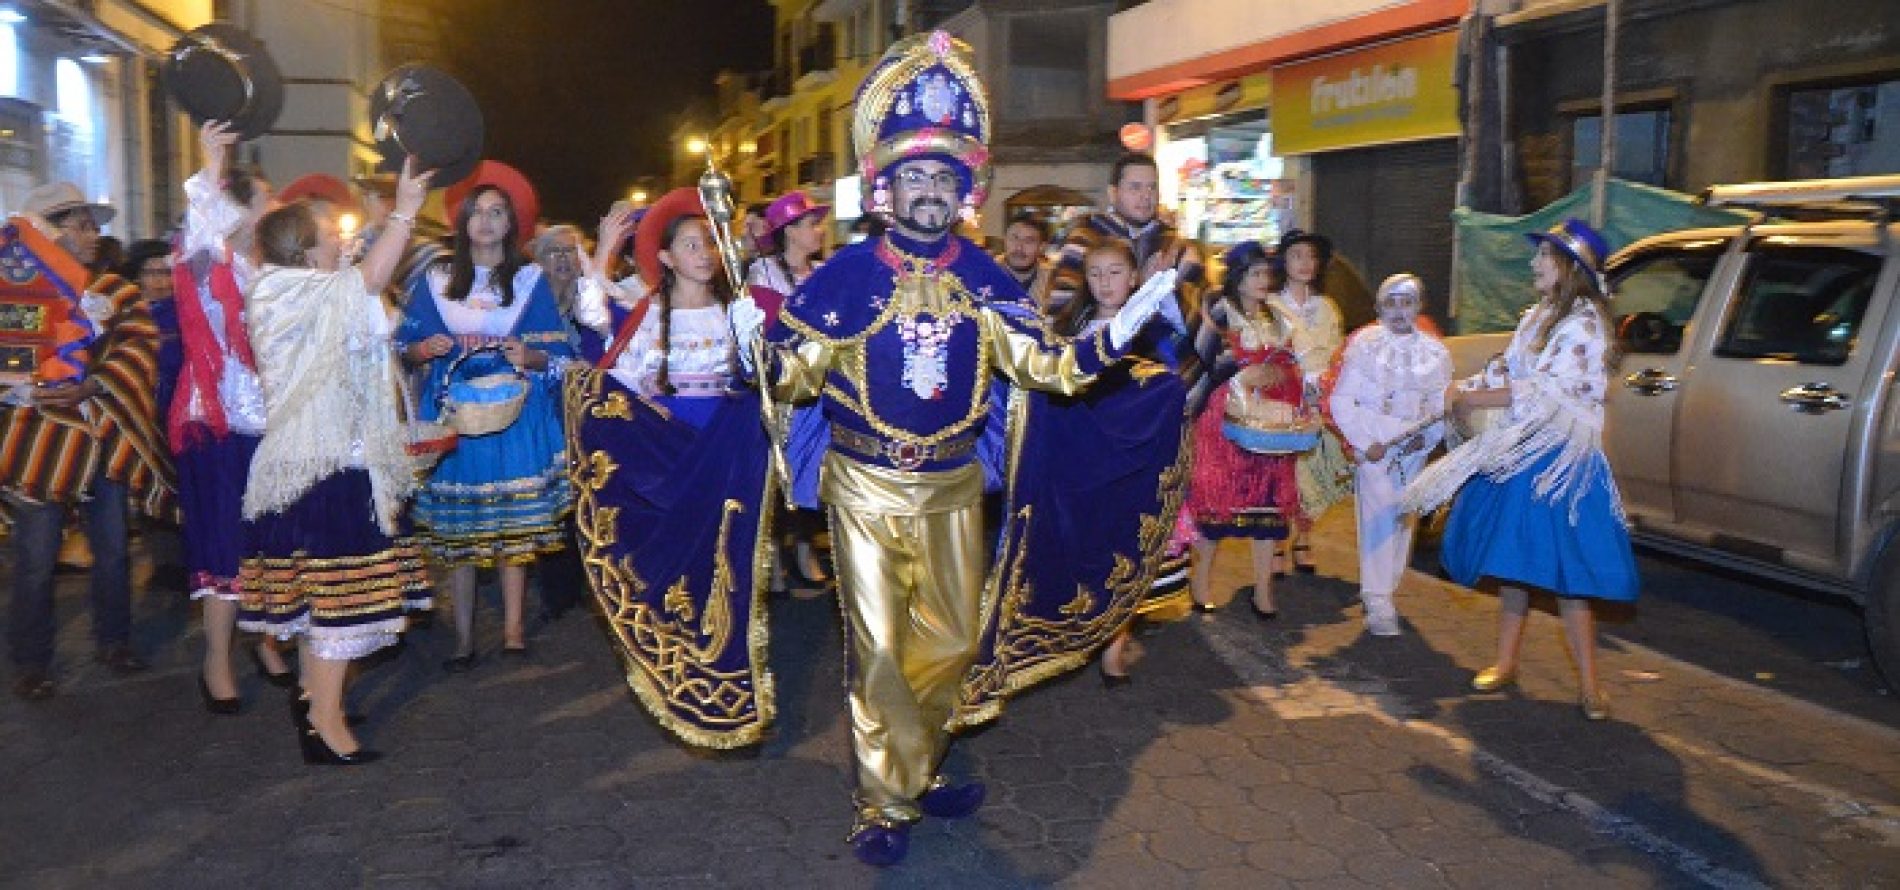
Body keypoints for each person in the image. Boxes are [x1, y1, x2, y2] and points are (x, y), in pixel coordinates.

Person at [731, 32, 1182, 867]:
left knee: (945, 647)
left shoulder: (988, 278)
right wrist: (757, 350)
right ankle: (883, 800)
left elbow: (1047, 367)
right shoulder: (842, 278)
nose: (930, 191)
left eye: (944, 177)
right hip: (862, 488)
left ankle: (920, 761)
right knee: (878, 654)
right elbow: (791, 379)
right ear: (885, 186)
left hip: (952, 489)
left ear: (963, 190)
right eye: (915, 176)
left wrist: (1115, 335)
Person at [1403, 218, 1639, 720]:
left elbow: (1546, 391)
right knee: (1515, 563)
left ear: (1569, 267)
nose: (1534, 264)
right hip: (1522, 451)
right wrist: (1462, 388)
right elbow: (1506, 369)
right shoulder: (1538, 316)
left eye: (1544, 257)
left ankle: (1591, 686)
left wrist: (1476, 396)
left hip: (1560, 462)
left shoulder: (1584, 325)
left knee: (1569, 575)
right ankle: (1506, 662)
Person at [239, 158, 433, 764]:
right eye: (332, 235)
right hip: (320, 468)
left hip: (338, 461)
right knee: (339, 606)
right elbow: (370, 282)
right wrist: (401, 212)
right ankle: (325, 724)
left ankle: (315, 701)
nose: (342, 240)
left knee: (324, 604)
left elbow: (372, 307)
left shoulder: (317, 292)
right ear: (304, 249)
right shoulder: (283, 290)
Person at [3, 182, 176, 701]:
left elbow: (139, 350)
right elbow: (12, 366)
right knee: (34, 559)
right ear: (49, 233)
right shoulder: (20, 292)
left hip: (103, 439)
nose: (93, 234)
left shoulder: (115, 292)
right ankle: (32, 662)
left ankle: (114, 640)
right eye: (80, 224)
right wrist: (34, 389)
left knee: (113, 548)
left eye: (93, 224)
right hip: (41, 442)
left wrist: (92, 384)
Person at [399, 183, 576, 670]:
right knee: (461, 528)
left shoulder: (529, 280)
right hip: (455, 413)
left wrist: (530, 355)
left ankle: (514, 629)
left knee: (511, 525)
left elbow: (559, 355)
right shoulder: (436, 279)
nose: (486, 221)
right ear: (463, 223)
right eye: (477, 212)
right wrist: (426, 349)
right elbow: (403, 347)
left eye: (497, 212)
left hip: (513, 415)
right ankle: (463, 637)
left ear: (509, 223)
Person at [170, 121, 285, 710]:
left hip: (269, 422)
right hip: (217, 420)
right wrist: (212, 168)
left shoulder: (272, 275)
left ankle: (265, 639)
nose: (276, 211)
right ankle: (216, 658)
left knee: (267, 541)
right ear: (235, 210)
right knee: (224, 540)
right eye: (266, 203)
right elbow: (197, 236)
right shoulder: (207, 268)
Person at [1047, 239, 1191, 684]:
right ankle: (1087, 633)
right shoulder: (1074, 329)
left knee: (1130, 548)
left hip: (1138, 458)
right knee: (1091, 548)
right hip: (1087, 458)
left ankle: (1115, 645)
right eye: (1096, 274)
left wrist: (1163, 291)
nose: (1106, 282)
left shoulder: (1152, 325)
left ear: (1133, 278)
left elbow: (1181, 368)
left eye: (1115, 273)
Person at [1180, 241, 1303, 619]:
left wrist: (1278, 373)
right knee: (1216, 507)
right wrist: (1240, 370)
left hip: (1267, 424)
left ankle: (1264, 593)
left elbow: (1291, 362)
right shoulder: (1216, 309)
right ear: (1238, 276)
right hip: (1223, 422)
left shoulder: (1277, 317)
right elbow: (1200, 359)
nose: (1263, 280)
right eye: (1255, 273)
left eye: (1267, 273)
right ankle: (1199, 585)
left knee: (1267, 511)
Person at [1326, 274, 1450, 637]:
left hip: (1411, 448)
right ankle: (1377, 595)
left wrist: (1422, 441)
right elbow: (1342, 399)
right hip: (1376, 445)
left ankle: (1387, 588)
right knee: (1378, 516)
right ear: (1379, 307)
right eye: (1391, 304)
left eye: (1407, 303)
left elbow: (1439, 407)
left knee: (1402, 517)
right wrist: (1365, 441)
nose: (1399, 312)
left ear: (1418, 307)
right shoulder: (1365, 345)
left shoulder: (1434, 352)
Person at [745, 190, 832, 591]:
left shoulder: (823, 273)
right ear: (790, 231)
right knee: (777, 474)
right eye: (811, 223)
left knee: (811, 471)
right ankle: (774, 554)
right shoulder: (762, 273)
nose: (819, 230)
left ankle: (802, 549)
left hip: (816, 390)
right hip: (779, 389)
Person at [1270, 228, 1351, 574]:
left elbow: (1339, 352)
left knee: (1313, 470)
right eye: (1297, 255)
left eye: (1311, 256)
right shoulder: (1271, 305)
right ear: (1284, 262)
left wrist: (1331, 385)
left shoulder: (1328, 308)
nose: (1305, 263)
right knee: (1282, 472)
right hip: (1284, 399)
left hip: (1321, 400)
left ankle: (1303, 538)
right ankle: (1275, 543)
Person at [1048, 152, 1203, 313]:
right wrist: (1142, 285)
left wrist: (1188, 269)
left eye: (1152, 187)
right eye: (1135, 187)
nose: (1146, 196)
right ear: (1113, 193)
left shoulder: (1170, 242)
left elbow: (1193, 306)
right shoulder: (1087, 237)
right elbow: (1063, 303)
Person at [997, 210, 1053, 310]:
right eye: (1014, 238)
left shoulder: (1053, 281)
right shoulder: (984, 272)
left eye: (1029, 241)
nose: (1019, 247)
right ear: (1004, 239)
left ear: (1042, 247)